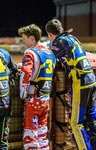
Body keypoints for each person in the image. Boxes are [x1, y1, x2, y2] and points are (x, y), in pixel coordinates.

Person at [45, 19, 96, 150]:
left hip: (81, 83)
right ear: (61, 30)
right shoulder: (72, 38)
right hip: (91, 79)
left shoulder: (58, 42)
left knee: (75, 124)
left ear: (50, 35)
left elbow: (51, 61)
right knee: (92, 119)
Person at [18, 24, 56, 150]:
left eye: (24, 38)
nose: (23, 41)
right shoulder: (50, 53)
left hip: (33, 100)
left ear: (32, 39)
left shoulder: (30, 52)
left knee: (30, 136)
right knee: (42, 134)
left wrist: (23, 94)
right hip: (45, 100)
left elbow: (26, 72)